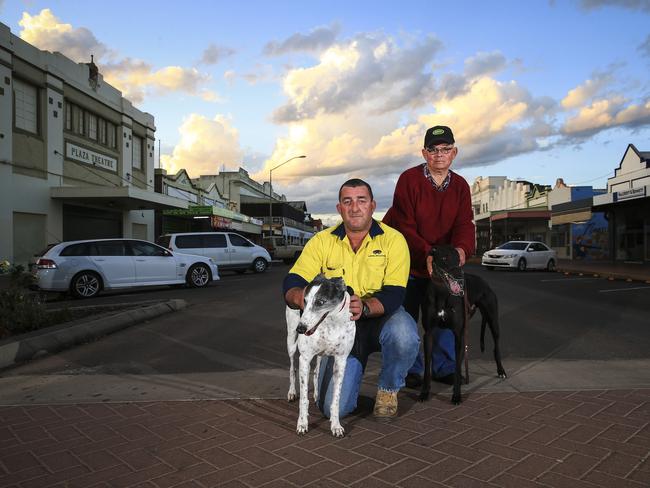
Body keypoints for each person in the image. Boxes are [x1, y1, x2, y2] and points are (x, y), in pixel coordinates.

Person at [283, 178, 419, 420]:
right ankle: (350, 384)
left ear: (372, 205)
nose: (355, 207)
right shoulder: (321, 241)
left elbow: (396, 292)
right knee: (332, 410)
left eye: (361, 200)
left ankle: (388, 389)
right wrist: (301, 299)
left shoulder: (394, 240)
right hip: (337, 328)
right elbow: (293, 280)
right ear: (339, 208)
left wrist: (365, 306)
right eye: (348, 201)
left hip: (378, 317)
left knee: (405, 334)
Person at [384, 125, 475, 386]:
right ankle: (412, 369)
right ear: (424, 153)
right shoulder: (408, 180)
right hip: (410, 260)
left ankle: (444, 366)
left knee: (445, 313)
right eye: (433, 150)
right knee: (409, 316)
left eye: (445, 149)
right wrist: (428, 253)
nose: (439, 155)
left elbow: (464, 224)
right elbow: (404, 225)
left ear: (454, 153)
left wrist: (461, 250)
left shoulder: (460, 186)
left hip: (443, 264)